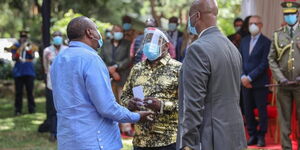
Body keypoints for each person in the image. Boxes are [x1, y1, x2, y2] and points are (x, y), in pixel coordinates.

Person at [50, 16, 152, 150]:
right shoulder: (91, 59)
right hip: (94, 141)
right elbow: (107, 108)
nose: (99, 34)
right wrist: (136, 116)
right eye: (96, 29)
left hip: (67, 140)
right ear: (89, 32)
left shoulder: (58, 60)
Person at [176, 0, 247, 150]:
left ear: (196, 16)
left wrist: (188, 143)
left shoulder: (198, 49)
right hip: (235, 132)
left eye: (189, 17)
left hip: (211, 136)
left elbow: (193, 103)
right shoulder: (231, 47)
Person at [121, 27, 181, 150]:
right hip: (140, 141)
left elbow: (187, 103)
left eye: (155, 41)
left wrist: (162, 105)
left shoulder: (178, 69)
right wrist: (130, 104)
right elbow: (124, 96)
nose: (150, 45)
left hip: (168, 140)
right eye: (147, 41)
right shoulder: (137, 69)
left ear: (166, 45)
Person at [268, 0, 300, 149]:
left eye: (291, 14)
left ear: (297, 14)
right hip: (283, 85)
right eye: (286, 14)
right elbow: (271, 59)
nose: (289, 17)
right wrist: (280, 78)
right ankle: (286, 148)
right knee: (284, 120)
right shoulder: (277, 35)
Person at [240, 15, 271, 147]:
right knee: (247, 110)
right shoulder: (244, 41)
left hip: (259, 82)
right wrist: (242, 77)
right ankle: (252, 134)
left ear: (261, 25)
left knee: (261, 110)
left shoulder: (266, 42)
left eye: (256, 23)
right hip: (244, 83)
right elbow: (239, 60)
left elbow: (264, 63)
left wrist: (250, 77)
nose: (253, 25)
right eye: (251, 23)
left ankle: (261, 136)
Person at [38, 31, 68, 141]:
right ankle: (53, 132)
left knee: (64, 108)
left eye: (59, 37)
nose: (57, 39)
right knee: (52, 109)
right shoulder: (47, 51)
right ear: (52, 38)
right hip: (51, 84)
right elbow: (45, 67)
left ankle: (64, 133)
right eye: (55, 37)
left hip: (65, 84)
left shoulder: (67, 50)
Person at [5, 30, 38, 116]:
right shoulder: (15, 46)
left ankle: (32, 109)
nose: (23, 39)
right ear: (20, 38)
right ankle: (18, 110)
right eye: (22, 37)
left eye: (25, 37)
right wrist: (21, 48)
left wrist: (28, 48)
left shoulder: (30, 46)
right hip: (18, 72)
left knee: (30, 92)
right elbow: (14, 57)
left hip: (29, 72)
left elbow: (32, 56)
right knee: (19, 92)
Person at [100, 25, 131, 102]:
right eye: (117, 31)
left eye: (120, 32)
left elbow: (129, 59)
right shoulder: (105, 44)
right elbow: (101, 58)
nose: (119, 33)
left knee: (122, 100)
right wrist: (110, 70)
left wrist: (116, 66)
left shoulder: (127, 44)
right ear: (112, 32)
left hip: (122, 75)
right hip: (108, 75)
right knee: (110, 99)